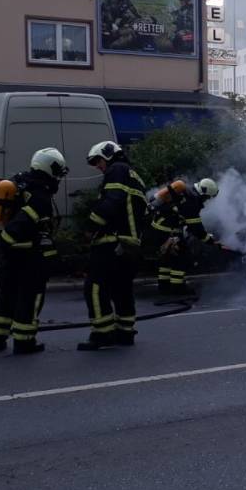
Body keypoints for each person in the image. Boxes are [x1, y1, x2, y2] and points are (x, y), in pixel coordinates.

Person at [0, 148, 66, 355]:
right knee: (30, 299)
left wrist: (4, 247)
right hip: (28, 257)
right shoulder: (40, 196)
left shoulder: (21, 183)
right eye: (57, 172)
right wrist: (7, 241)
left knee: (7, 296)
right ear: (50, 168)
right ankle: (24, 341)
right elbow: (23, 223)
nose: (58, 178)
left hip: (10, 257)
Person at [78, 141, 149, 351]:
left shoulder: (117, 170)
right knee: (122, 289)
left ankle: (102, 334)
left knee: (95, 287)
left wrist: (90, 226)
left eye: (98, 161)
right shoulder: (135, 176)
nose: (98, 167)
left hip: (111, 242)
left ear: (108, 155)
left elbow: (112, 202)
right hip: (130, 246)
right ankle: (125, 332)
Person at [165, 177, 222, 296]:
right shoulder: (192, 200)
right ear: (203, 194)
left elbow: (191, 224)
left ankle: (164, 286)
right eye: (207, 197)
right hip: (168, 230)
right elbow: (196, 228)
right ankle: (177, 288)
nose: (207, 200)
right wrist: (208, 240)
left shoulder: (188, 194)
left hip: (164, 229)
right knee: (182, 256)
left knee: (167, 259)